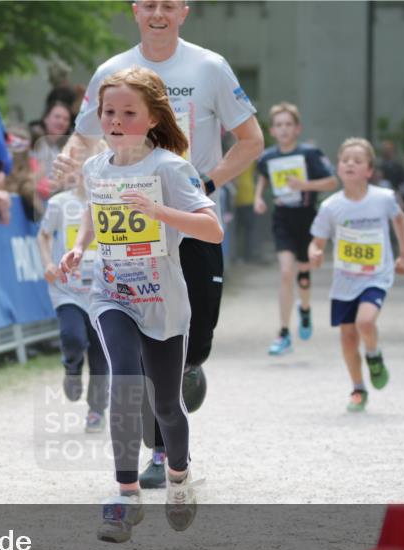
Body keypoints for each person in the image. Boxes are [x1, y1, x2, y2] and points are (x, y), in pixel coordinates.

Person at [57, 0, 263, 489]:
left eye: (168, 5)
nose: (158, 13)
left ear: (183, 12)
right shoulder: (112, 71)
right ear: (135, 11)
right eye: (149, 4)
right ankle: (159, 452)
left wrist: (205, 185)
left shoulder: (210, 67)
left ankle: (185, 370)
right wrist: (68, 165)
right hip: (133, 233)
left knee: (193, 339)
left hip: (186, 212)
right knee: (138, 352)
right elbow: (85, 140)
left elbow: (251, 140)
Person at [58, 66, 222, 542]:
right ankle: (125, 497)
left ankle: (179, 477)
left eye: (129, 112)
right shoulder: (95, 167)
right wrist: (80, 245)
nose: (115, 120)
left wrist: (158, 212)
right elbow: (95, 208)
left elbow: (212, 230)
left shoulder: (170, 168)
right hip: (112, 294)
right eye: (109, 111)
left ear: (152, 119)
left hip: (162, 302)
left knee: (167, 406)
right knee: (126, 383)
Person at [308, 138, 404, 412]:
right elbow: (317, 241)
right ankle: (358, 388)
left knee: (365, 322)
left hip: (376, 275)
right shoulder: (331, 206)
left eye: (357, 160)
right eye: (345, 160)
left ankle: (374, 356)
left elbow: (400, 219)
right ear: (338, 168)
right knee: (348, 337)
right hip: (344, 281)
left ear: (369, 170)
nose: (350, 164)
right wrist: (314, 254)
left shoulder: (383, 199)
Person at [253, 102, 337, 355]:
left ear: (297, 128)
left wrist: (304, 185)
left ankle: (306, 308)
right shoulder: (268, 156)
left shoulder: (310, 154)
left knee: (303, 273)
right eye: (279, 125)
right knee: (286, 272)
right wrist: (258, 197)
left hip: (308, 219)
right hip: (283, 220)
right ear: (272, 130)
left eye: (288, 124)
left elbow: (332, 181)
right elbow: (264, 177)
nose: (284, 129)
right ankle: (283, 333)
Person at [37, 168, 109, 433]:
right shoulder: (60, 203)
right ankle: (72, 366)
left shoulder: (112, 199)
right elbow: (43, 235)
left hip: (103, 290)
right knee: (73, 338)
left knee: (102, 356)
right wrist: (47, 263)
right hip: (67, 288)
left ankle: (96, 410)